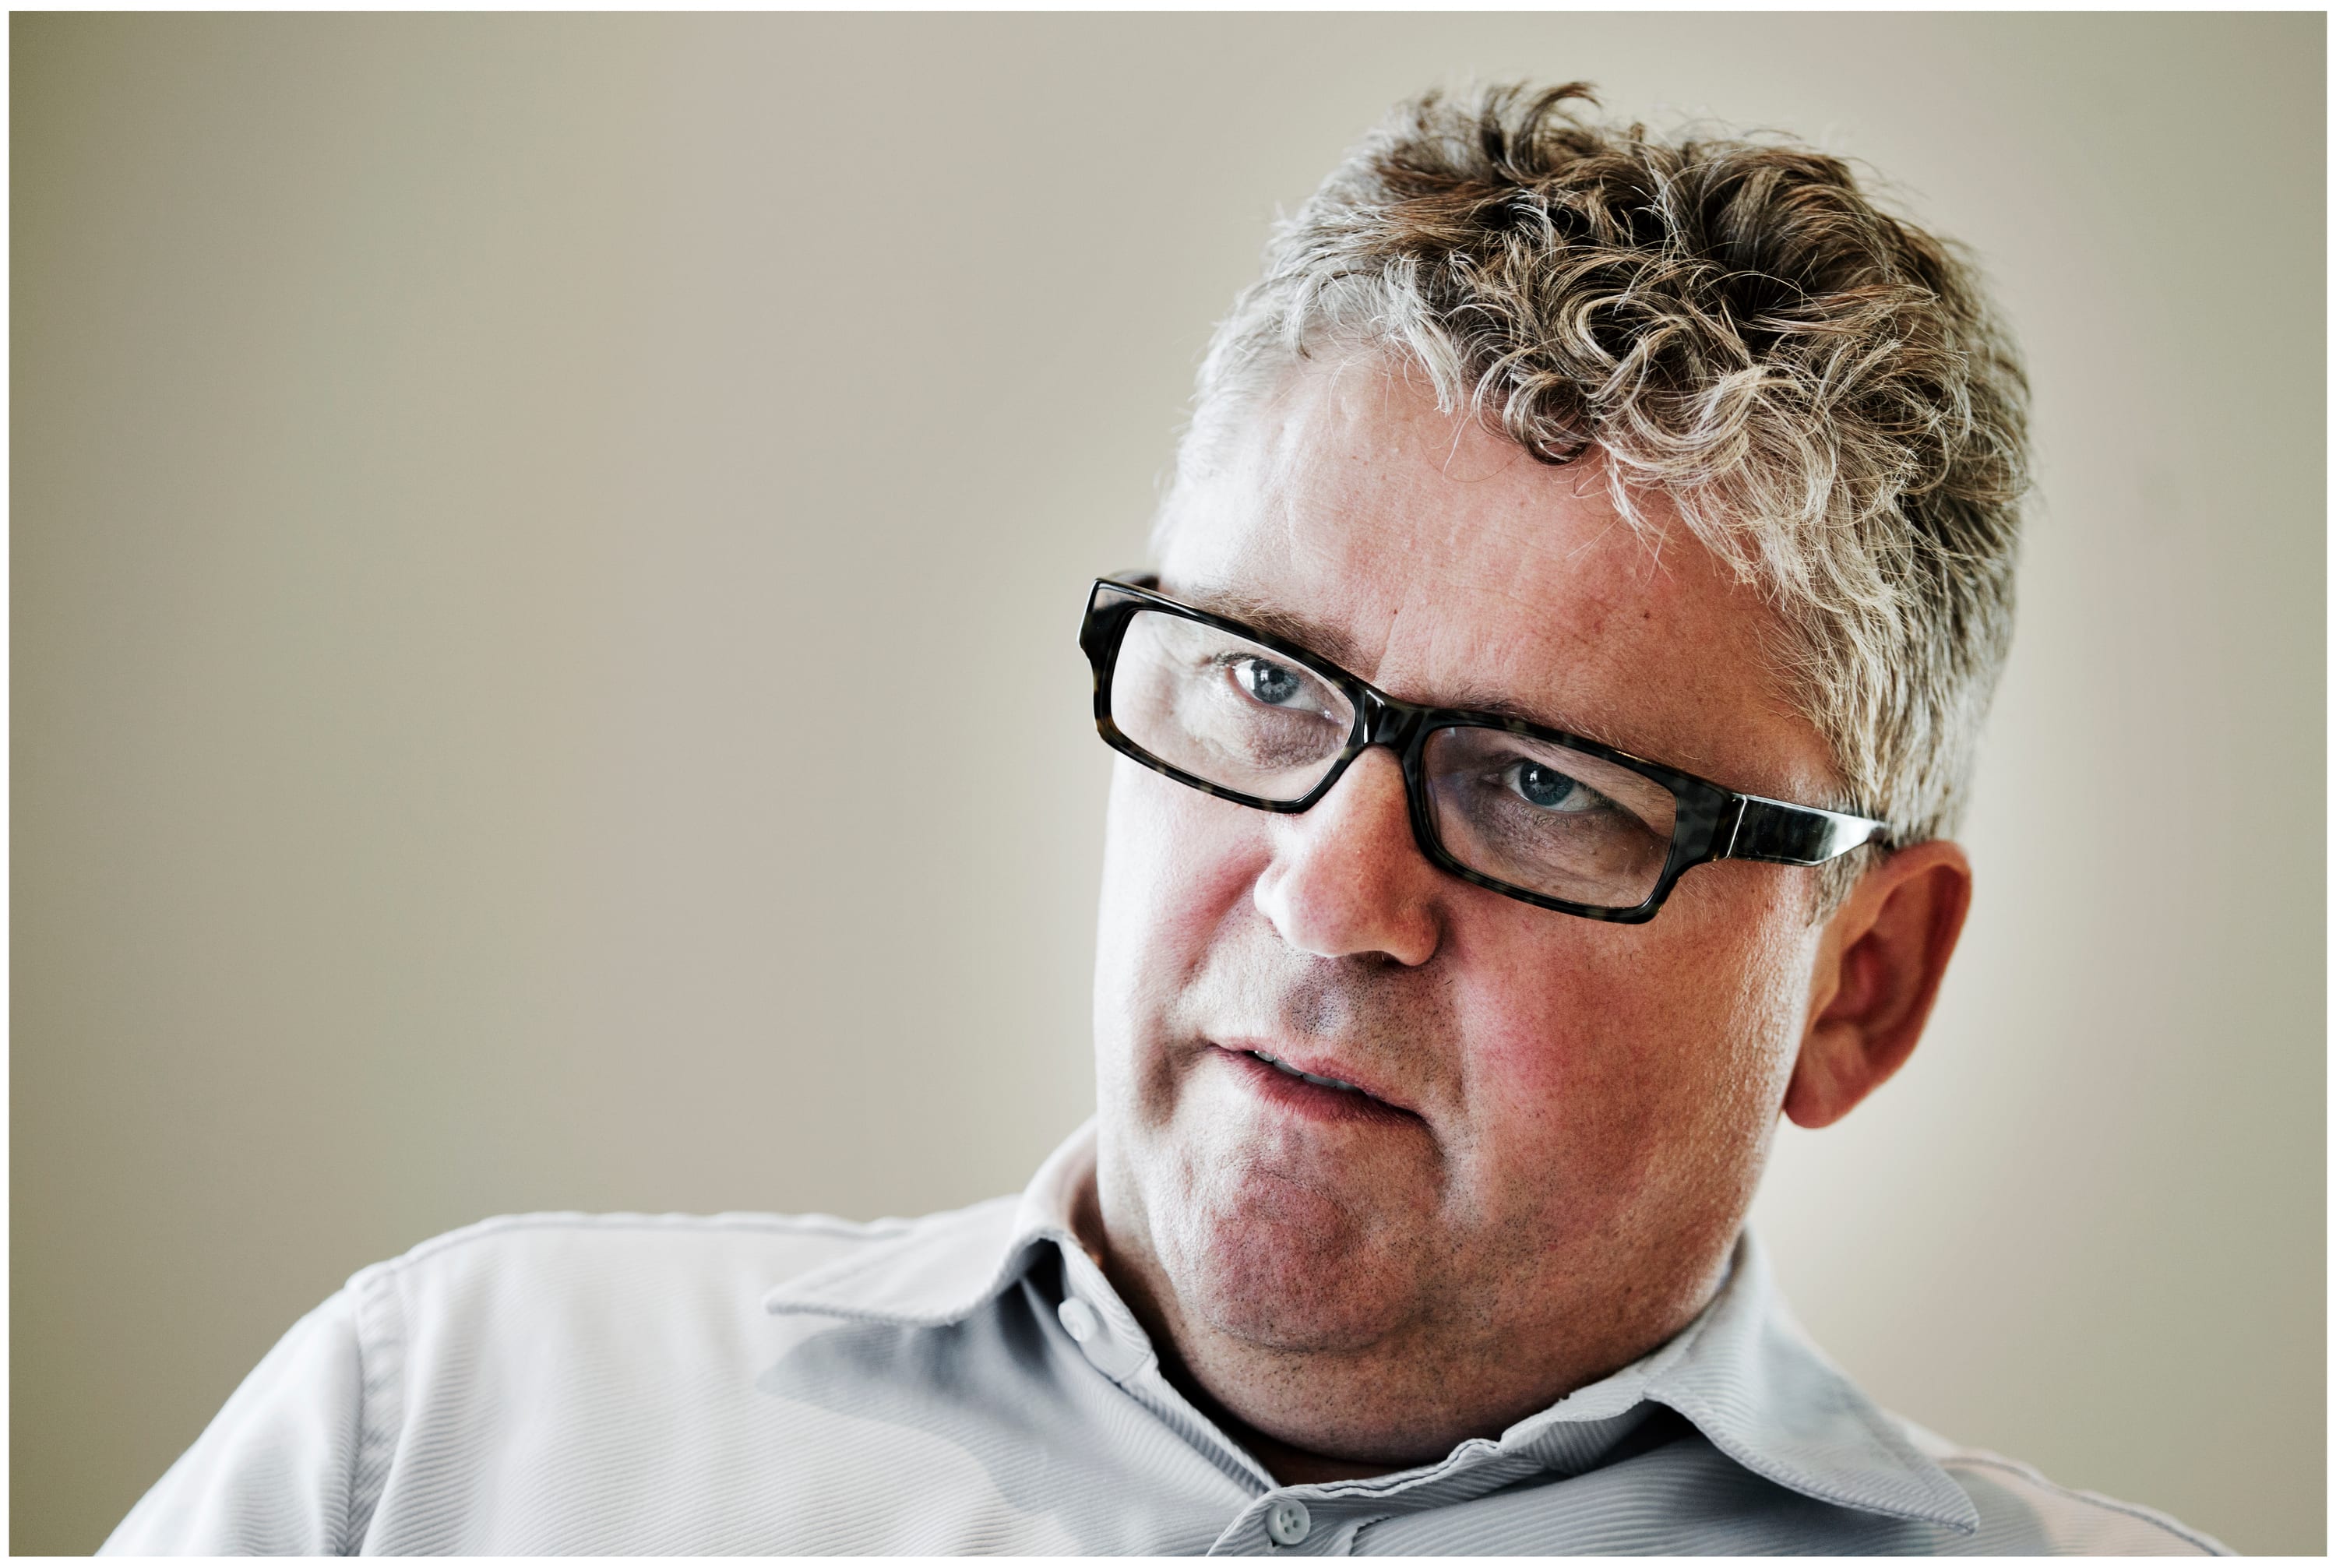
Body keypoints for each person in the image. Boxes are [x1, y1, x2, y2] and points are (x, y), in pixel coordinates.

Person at [103, 83, 2223, 1556]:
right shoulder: (446, 1426)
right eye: (1268, 687)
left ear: (1861, 985)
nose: (1329, 891)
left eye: (1545, 787)